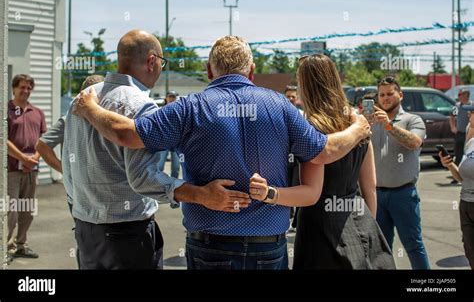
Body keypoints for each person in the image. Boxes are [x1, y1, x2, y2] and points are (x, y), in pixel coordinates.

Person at [73, 35, 371, 270]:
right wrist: (359, 128)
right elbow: (324, 151)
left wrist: (90, 109)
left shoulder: (190, 107)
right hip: (268, 246)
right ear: (251, 71)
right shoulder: (280, 106)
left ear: (208, 70)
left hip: (210, 246)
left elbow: (127, 134)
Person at [63, 30, 250, 269]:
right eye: (161, 63)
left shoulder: (82, 99)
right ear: (152, 61)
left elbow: (70, 168)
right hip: (126, 236)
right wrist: (200, 195)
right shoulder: (141, 106)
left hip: (85, 230)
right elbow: (142, 179)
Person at [291, 55, 395, 269]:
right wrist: (369, 226)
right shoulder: (358, 123)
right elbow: (370, 187)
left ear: (307, 85)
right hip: (361, 219)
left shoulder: (311, 128)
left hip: (320, 229)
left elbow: (312, 191)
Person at [35, 75, 104, 268]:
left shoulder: (106, 118)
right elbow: (42, 145)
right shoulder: (68, 120)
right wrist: (64, 170)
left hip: (100, 195)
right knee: (88, 241)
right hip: (80, 195)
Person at [371, 76, 430, 269]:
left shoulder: (412, 119)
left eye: (390, 93)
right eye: (382, 95)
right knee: (381, 248)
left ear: (400, 95)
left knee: (413, 246)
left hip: (403, 194)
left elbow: (414, 142)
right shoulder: (372, 122)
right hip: (377, 195)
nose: (386, 98)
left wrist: (389, 125)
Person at [7, 74, 47, 262]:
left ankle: (21, 244)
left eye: (29, 88)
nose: (26, 91)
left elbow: (43, 139)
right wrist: (23, 158)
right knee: (10, 210)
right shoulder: (5, 110)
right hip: (11, 169)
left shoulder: (37, 112)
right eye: (22, 87)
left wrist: (35, 159)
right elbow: (3, 140)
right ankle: (3, 249)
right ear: (14, 88)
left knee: (27, 209)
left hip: (32, 169)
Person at [439, 104, 474, 269]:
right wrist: (450, 165)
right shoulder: (470, 141)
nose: (469, 116)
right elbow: (462, 178)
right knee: (470, 253)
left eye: (473, 113)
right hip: (466, 204)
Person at [284, 84, 302, 231]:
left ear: (297, 99)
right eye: (288, 96)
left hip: (298, 159)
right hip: (283, 159)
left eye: (293, 96)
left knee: (298, 187)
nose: (290, 99)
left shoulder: (302, 115)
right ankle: (286, 220)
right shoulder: (279, 113)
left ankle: (298, 220)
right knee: (285, 187)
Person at [157, 91, 181, 178]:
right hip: (164, 141)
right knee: (159, 166)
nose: (172, 98)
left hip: (177, 142)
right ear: (166, 98)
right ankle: (159, 186)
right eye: (170, 96)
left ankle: (175, 188)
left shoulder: (181, 110)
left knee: (176, 167)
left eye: (173, 97)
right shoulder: (159, 110)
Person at [450, 89, 473, 177]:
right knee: (458, 155)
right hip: (459, 134)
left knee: (469, 155)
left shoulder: (472, 105)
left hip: (470, 135)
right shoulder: (457, 106)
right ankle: (456, 176)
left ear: (466, 95)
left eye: (461, 95)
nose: (459, 96)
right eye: (459, 95)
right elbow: (452, 116)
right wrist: (453, 127)